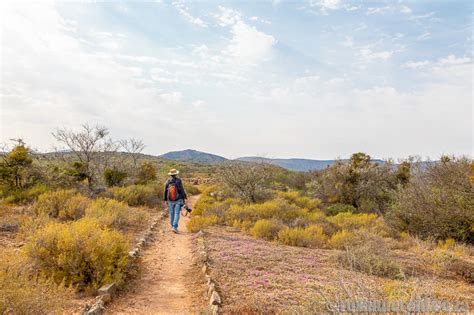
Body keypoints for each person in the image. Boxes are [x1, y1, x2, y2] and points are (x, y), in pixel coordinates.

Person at [164, 168, 187, 233]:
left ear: (170, 174)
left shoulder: (168, 181)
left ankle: (172, 226)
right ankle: (174, 227)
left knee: (171, 213)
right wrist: (184, 197)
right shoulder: (178, 180)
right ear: (176, 174)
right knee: (177, 213)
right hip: (178, 199)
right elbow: (182, 190)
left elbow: (165, 191)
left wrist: (165, 199)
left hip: (170, 200)